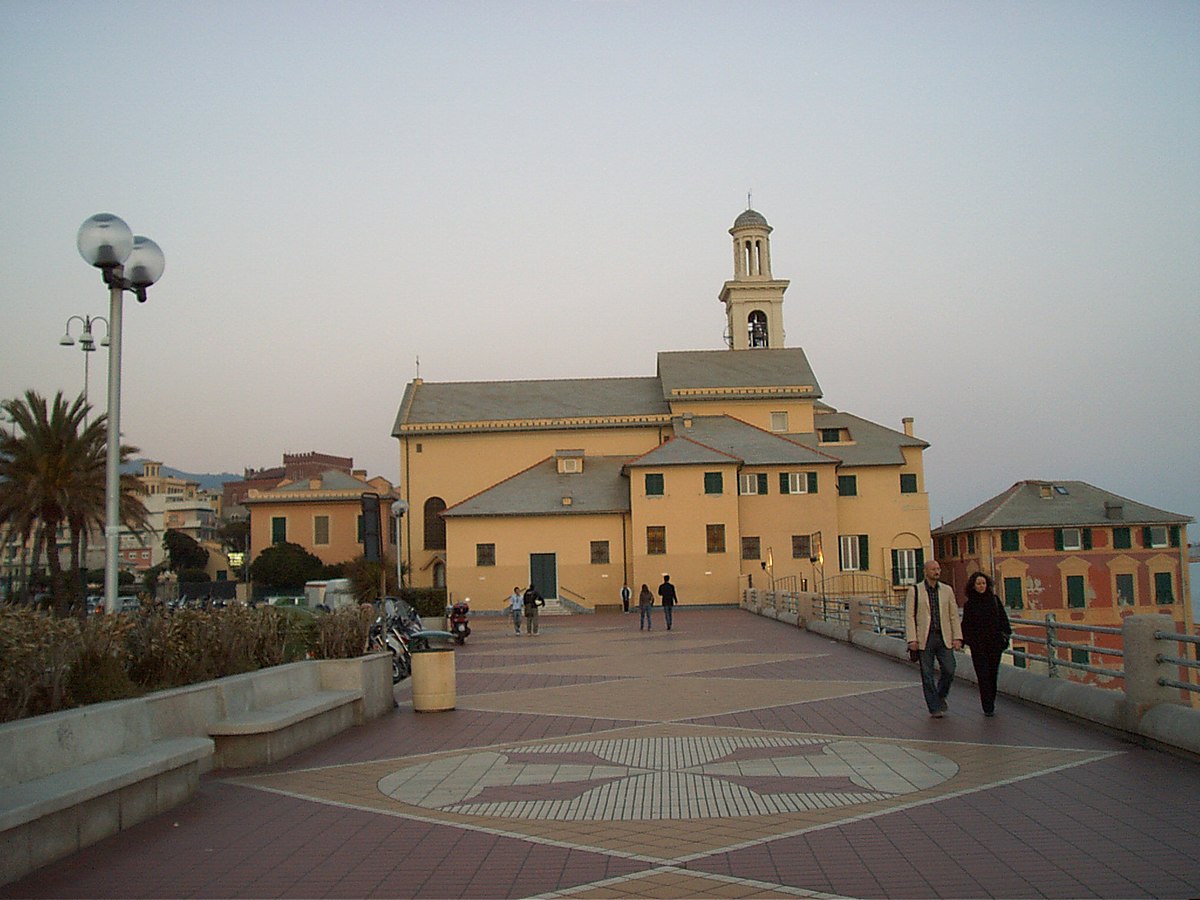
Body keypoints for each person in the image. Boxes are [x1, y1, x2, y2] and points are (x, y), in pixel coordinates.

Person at [905, 560, 962, 718]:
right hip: (925, 637)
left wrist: (957, 637)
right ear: (925, 571)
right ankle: (934, 707)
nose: (937, 571)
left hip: (943, 636)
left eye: (938, 569)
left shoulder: (947, 590)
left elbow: (953, 615)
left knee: (949, 669)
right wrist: (912, 639)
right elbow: (909, 616)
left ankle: (940, 695)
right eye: (933, 569)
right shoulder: (915, 591)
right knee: (927, 674)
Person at [960, 571, 1012, 717]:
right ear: (973, 586)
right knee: (982, 676)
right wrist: (968, 641)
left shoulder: (994, 600)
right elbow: (966, 625)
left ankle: (991, 701)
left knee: (992, 674)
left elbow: (1003, 620)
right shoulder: (969, 605)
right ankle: (987, 706)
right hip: (979, 647)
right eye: (978, 584)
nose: (981, 586)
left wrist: (1005, 638)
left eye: (983, 583)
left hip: (995, 645)